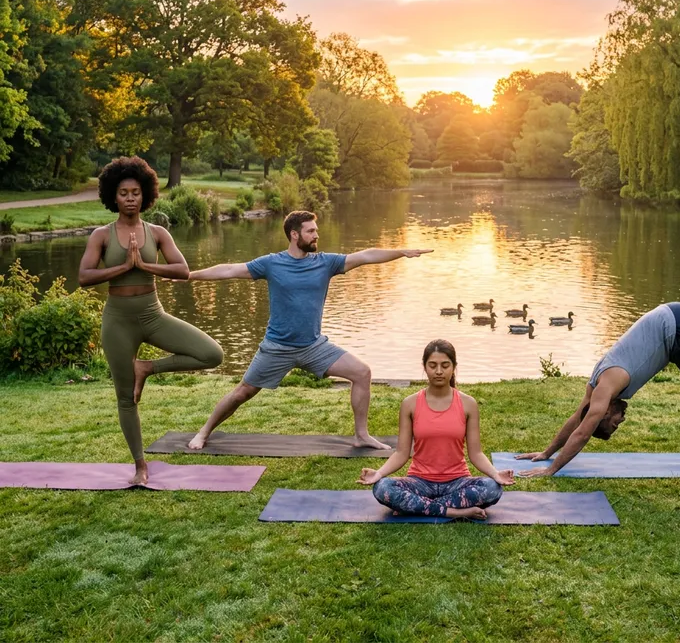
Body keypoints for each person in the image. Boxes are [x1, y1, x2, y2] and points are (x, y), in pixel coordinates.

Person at [186, 210, 433, 451]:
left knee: (361, 373)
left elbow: (365, 255)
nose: (316, 235)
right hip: (277, 347)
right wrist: (189, 276)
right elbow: (229, 270)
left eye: (316, 230)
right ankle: (204, 431)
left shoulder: (326, 263)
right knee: (243, 393)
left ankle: (361, 435)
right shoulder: (271, 264)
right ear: (295, 234)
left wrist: (400, 252)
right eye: (311, 231)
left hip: (314, 346)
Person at [78, 156, 224, 485]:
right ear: (112, 197)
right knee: (125, 397)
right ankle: (140, 464)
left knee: (212, 354)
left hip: (152, 314)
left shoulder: (157, 232)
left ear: (145, 195)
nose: (130, 198)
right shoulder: (101, 235)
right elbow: (84, 276)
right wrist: (122, 267)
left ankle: (148, 368)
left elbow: (182, 270)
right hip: (118, 320)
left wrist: (145, 267)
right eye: (123, 193)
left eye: (135, 192)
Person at [515, 302, 680, 478]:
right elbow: (577, 419)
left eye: (614, 424)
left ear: (603, 414)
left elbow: (583, 430)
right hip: (676, 326)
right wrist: (547, 453)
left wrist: (553, 468)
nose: (622, 420)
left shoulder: (604, 389)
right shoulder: (595, 388)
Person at [357, 339, 514, 520]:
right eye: (432, 365)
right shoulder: (410, 404)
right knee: (382, 488)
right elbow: (401, 453)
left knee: (492, 488)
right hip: (419, 482)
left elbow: (476, 453)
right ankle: (455, 512)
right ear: (424, 367)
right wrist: (379, 473)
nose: (439, 371)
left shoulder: (468, 404)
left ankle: (415, 506)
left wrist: (495, 474)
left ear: (454, 367)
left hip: (457, 482)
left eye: (445, 365)